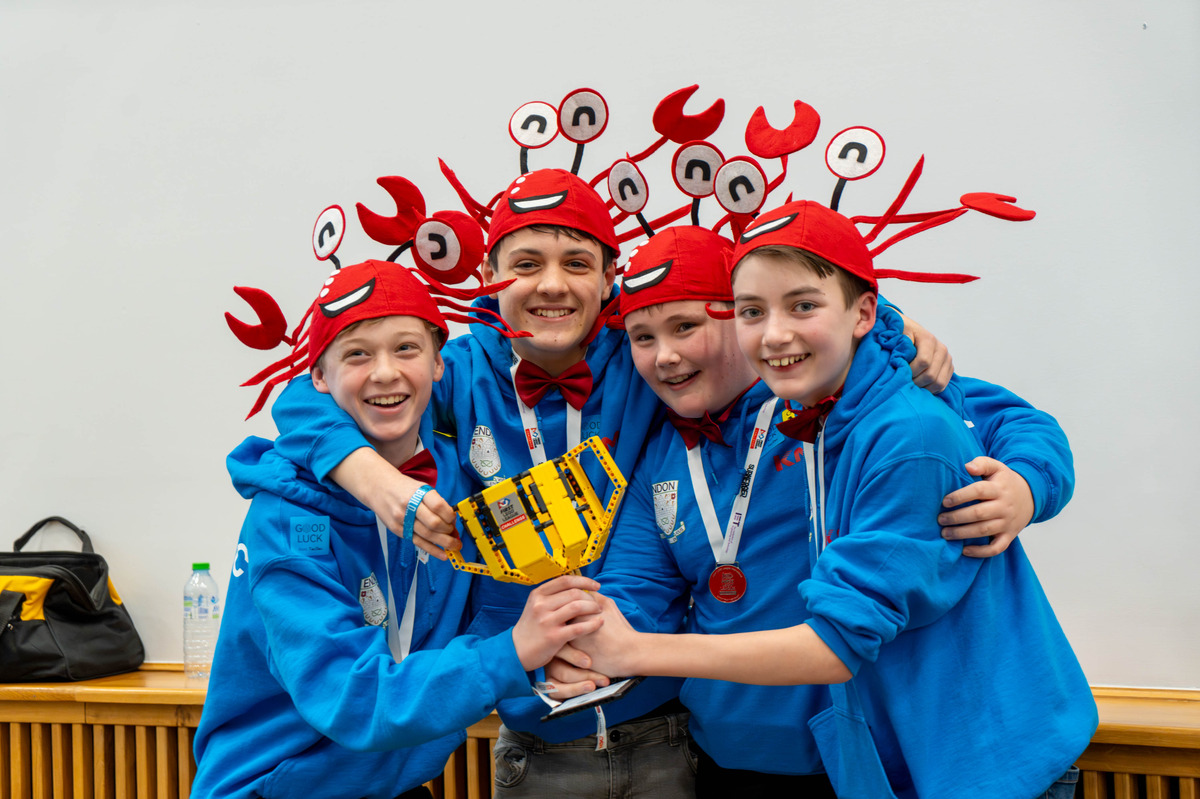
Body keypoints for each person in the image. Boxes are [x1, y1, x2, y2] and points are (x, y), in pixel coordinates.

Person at [264, 169, 977, 799]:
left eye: (576, 261)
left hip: (671, 730)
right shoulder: (455, 374)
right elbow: (303, 400)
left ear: (610, 281)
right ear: (488, 271)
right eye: (525, 262)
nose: (550, 283)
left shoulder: (645, 360)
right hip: (530, 732)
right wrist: (364, 473)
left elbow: (767, 300)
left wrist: (884, 320)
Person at [562, 203, 1097, 799]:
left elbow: (1009, 422)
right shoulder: (673, 446)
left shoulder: (857, 407)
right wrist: (580, 653)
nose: (664, 354)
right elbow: (639, 584)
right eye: (642, 337)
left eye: (686, 326)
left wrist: (1027, 484)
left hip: (955, 751)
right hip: (786, 750)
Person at [192, 259, 604, 799]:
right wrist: (513, 653)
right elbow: (354, 698)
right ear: (318, 377)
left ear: (439, 362)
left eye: (406, 348)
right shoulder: (287, 523)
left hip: (394, 782)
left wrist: (543, 655)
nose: (385, 372)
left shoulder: (457, 481)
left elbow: (486, 618)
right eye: (357, 354)